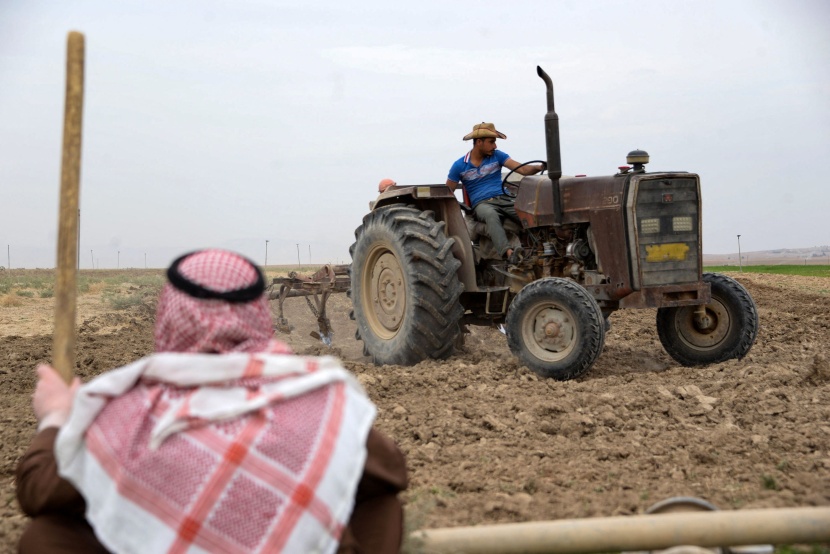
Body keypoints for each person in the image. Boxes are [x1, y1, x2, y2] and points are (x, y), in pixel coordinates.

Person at [16, 249, 408, 554]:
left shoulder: (126, 411)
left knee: (47, 534)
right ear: (258, 312)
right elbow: (391, 471)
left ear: (170, 314)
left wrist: (55, 416)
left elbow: (39, 492)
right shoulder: (318, 398)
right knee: (380, 506)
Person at [446, 122, 545, 262]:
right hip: (482, 203)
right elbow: (447, 192)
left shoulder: (497, 156)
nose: (495, 146)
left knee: (527, 211)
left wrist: (540, 166)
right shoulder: (459, 166)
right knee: (491, 215)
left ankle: (544, 247)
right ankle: (509, 254)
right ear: (479, 142)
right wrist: (462, 208)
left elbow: (523, 170)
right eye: (492, 142)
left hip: (503, 197)